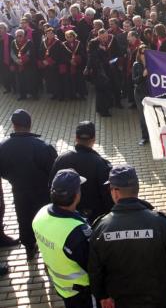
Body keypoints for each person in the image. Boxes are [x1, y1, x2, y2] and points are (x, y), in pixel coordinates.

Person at [88, 165, 166, 308]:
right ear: (137, 188)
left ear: (115, 192)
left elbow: (95, 270)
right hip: (159, 301)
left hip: (121, 302)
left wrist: (102, 296)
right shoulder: (162, 224)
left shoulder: (100, 228)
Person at [0, 109, 57, 260]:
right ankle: (48, 251)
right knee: (45, 220)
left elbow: (2, 171)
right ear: (30, 124)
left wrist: (14, 178)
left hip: (19, 191)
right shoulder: (43, 147)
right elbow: (54, 171)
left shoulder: (3, 147)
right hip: (42, 193)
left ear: (13, 125)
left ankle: (29, 247)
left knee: (23, 219)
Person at [32, 169, 93, 308]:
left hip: (61, 286)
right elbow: (93, 266)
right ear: (77, 195)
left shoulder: (40, 214)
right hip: (81, 293)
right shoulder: (77, 233)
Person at [50, 121, 113, 223]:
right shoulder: (101, 164)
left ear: (76, 138)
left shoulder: (61, 159)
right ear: (93, 140)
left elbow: (51, 186)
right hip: (94, 219)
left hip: (65, 217)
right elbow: (108, 196)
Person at [132, 45, 150, 146]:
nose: (145, 55)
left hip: (150, 93)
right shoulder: (136, 65)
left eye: (147, 53)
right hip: (140, 93)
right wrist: (142, 76)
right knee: (143, 116)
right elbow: (134, 80)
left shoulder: (153, 63)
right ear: (140, 54)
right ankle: (144, 137)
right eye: (143, 53)